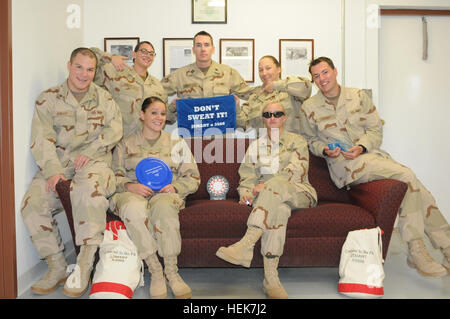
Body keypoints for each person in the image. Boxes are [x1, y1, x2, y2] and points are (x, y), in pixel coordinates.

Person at [300, 56, 450, 277]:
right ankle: (416, 249)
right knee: (407, 175)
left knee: (416, 188)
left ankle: (446, 247)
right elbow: (309, 140)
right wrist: (324, 150)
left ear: (335, 71)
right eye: (316, 76)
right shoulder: (308, 107)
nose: (321, 78)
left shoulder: (359, 96)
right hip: (345, 167)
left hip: (372, 158)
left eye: (325, 72)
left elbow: (375, 131)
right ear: (313, 80)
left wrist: (361, 146)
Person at [20, 47, 123, 297]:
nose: (84, 74)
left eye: (90, 69)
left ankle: (84, 265)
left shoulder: (104, 98)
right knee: (32, 205)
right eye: (79, 67)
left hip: (95, 162)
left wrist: (95, 147)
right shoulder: (48, 98)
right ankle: (56, 266)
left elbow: (115, 129)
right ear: (69, 66)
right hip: (60, 162)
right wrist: (53, 172)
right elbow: (41, 138)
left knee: (88, 193)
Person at [216, 102, 317, 298]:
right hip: (268, 199)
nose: (273, 117)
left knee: (274, 188)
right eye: (268, 114)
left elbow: (297, 170)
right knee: (279, 210)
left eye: (277, 114)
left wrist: (269, 185)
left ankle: (246, 244)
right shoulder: (256, 146)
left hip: (299, 192)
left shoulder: (297, 141)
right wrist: (246, 193)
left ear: (284, 117)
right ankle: (270, 279)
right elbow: (247, 176)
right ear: (263, 119)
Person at [110, 96, 200, 299]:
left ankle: (171, 272)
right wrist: (130, 185)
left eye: (162, 113)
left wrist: (174, 186)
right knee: (133, 209)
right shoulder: (125, 144)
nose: (159, 117)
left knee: (163, 207)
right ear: (142, 115)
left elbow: (193, 177)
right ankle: (155, 272)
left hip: (165, 195)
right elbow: (112, 175)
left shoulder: (176, 142)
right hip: (133, 194)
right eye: (153, 112)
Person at [162, 30, 255, 124]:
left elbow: (253, 95)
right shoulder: (179, 75)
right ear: (193, 50)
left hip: (221, 135)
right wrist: (171, 109)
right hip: (191, 135)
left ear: (213, 49)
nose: (203, 49)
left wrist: (239, 112)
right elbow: (154, 95)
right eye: (198, 45)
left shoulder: (228, 74)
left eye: (206, 45)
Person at [91, 41, 168, 137]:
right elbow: (88, 55)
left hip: (147, 143)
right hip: (120, 140)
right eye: (144, 51)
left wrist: (174, 107)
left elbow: (164, 115)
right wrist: (110, 57)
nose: (148, 55)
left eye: (151, 54)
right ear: (134, 54)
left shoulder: (157, 85)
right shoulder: (115, 74)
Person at [237, 55, 312, 134]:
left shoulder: (291, 90)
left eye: (268, 68)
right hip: (263, 144)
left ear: (279, 69)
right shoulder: (254, 96)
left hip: (290, 144)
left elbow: (306, 85)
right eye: (260, 70)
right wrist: (236, 107)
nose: (264, 73)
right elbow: (242, 124)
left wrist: (274, 85)